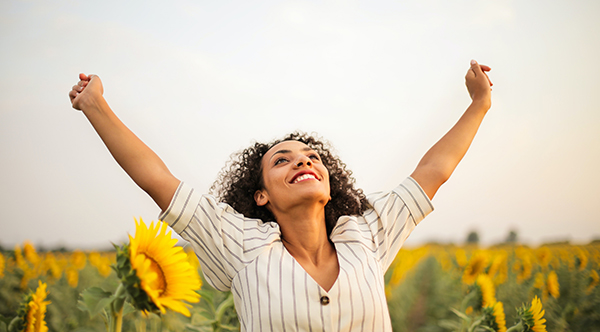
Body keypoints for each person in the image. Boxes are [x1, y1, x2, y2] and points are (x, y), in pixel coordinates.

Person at [69, 59, 492, 331]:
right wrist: (96, 106)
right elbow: (157, 180)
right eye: (282, 161)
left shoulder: (366, 235)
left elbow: (433, 172)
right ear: (260, 197)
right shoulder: (241, 247)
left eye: (311, 158)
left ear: (329, 184)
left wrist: (479, 104)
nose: (303, 163)